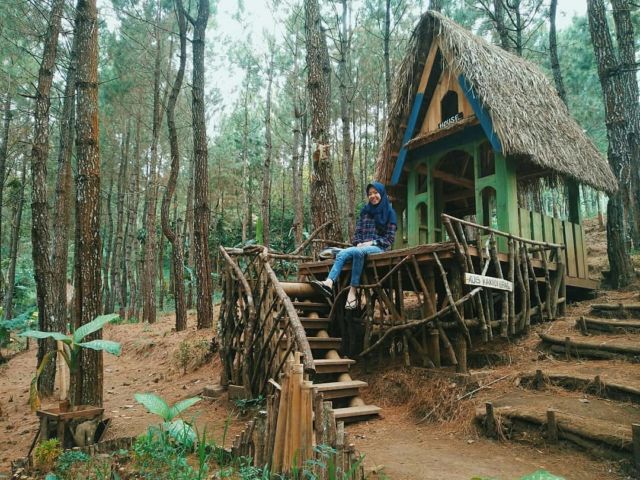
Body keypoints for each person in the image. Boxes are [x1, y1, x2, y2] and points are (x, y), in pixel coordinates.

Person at [313, 181, 397, 309]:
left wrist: (371, 242)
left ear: (382, 193)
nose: (373, 196)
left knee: (354, 252)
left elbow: (390, 239)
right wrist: (358, 243)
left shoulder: (390, 212)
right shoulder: (365, 212)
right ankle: (329, 283)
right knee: (345, 253)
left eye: (376, 193)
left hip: (379, 248)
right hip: (361, 248)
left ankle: (352, 291)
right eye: (370, 194)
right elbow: (357, 233)